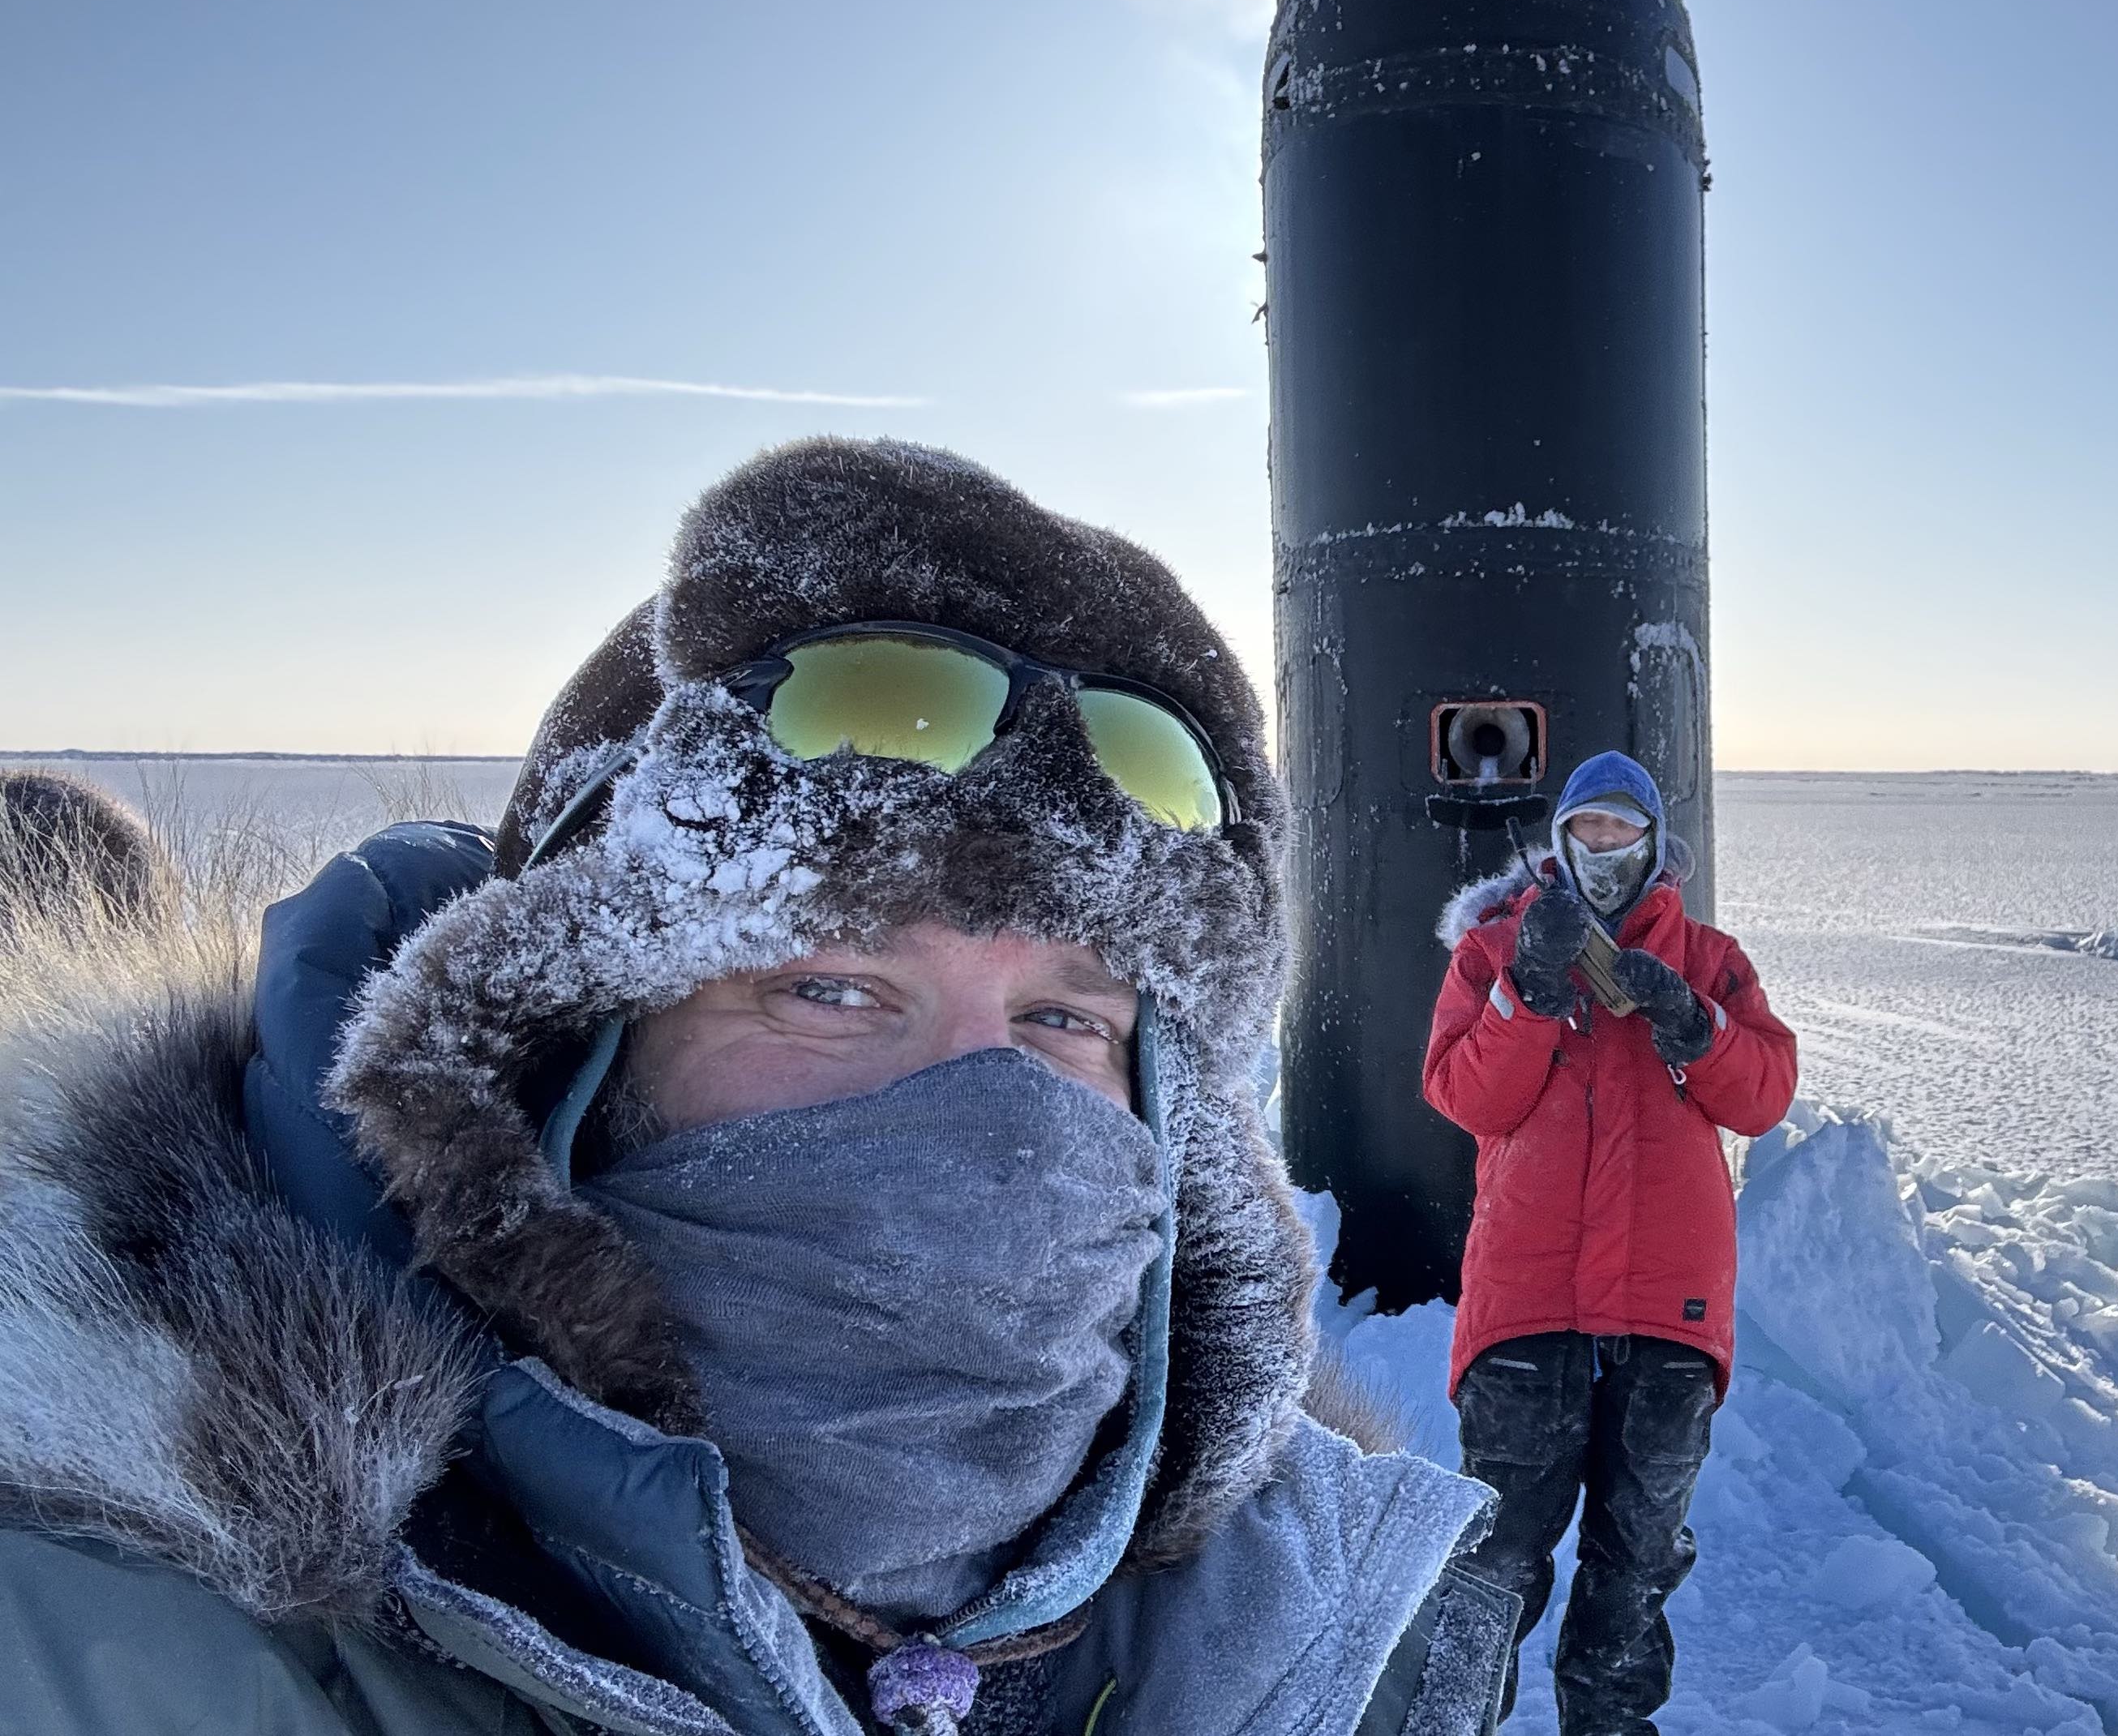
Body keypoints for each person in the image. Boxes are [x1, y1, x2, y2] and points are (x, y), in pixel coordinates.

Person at [0, 439, 1516, 1736]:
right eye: (832, 987)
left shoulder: (1312, 1632)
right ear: (554, 1073)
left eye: (1066, 1017)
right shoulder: (115, 1624)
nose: (988, 1120)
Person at [1421, 752, 1799, 1734]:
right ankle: (1452, 1724)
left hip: (1666, 1307)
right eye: (1587, 827)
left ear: (1653, 839)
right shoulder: (1496, 952)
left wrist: (1693, 1022)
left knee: (1635, 1565)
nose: (1603, 847)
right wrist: (1529, 999)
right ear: (1560, 838)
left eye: (1622, 827)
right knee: (1495, 1558)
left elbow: (1763, 1096)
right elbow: (1465, 1095)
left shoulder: (1710, 961)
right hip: (1528, 1303)